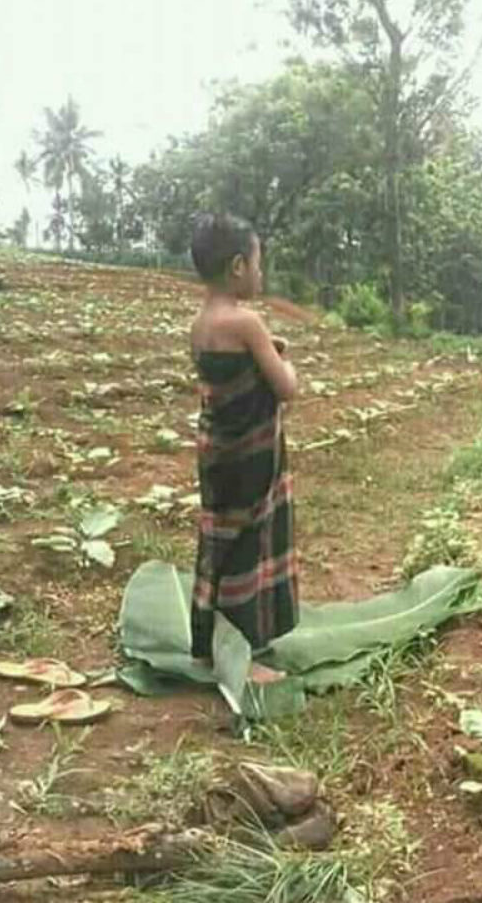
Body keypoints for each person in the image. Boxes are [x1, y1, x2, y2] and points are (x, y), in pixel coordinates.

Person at [187, 213, 299, 685]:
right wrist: (280, 356)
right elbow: (286, 387)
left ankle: (208, 643)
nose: (260, 273)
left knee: (219, 543)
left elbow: (225, 373)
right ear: (237, 267)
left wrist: (263, 350)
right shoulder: (247, 322)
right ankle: (245, 654)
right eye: (257, 264)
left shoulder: (199, 324)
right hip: (252, 460)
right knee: (250, 546)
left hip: (216, 456)